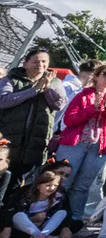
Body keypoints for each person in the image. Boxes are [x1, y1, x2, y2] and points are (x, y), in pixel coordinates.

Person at [56, 60, 106, 227]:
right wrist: (93, 108)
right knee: (63, 182)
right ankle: (54, 217)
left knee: (83, 186)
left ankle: (74, 221)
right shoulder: (83, 95)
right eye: (105, 74)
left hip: (100, 146)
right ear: (96, 76)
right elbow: (69, 119)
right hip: (75, 143)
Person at [0, 46, 64, 179]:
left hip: (36, 142)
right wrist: (33, 90)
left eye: (44, 62)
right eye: (36, 61)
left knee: (19, 183)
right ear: (25, 63)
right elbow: (3, 100)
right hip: (9, 140)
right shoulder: (12, 79)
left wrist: (47, 89)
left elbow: (59, 104)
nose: (40, 65)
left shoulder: (55, 82)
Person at [11, 169, 69, 238]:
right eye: (48, 185)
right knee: (19, 215)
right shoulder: (28, 197)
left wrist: (44, 219)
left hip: (44, 225)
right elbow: (19, 211)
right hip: (27, 225)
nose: (52, 188)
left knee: (62, 212)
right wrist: (34, 218)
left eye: (55, 185)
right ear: (38, 185)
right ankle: (44, 237)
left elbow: (52, 214)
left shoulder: (57, 197)